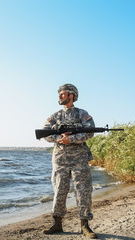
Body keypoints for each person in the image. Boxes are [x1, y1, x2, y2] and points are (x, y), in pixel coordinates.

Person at [41, 83, 97, 239]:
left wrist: (71, 139)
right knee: (59, 191)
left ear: (72, 95)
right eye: (59, 93)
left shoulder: (82, 114)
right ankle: (57, 224)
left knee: (83, 191)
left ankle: (85, 226)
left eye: (63, 93)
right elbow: (45, 133)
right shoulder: (55, 116)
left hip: (80, 159)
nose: (60, 96)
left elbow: (89, 133)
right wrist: (60, 138)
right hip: (60, 160)